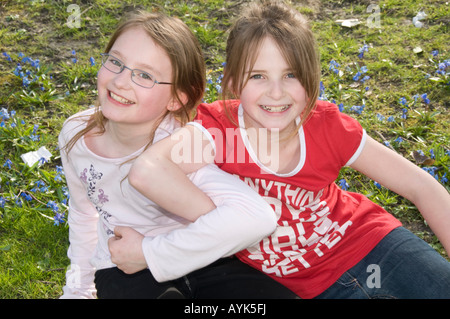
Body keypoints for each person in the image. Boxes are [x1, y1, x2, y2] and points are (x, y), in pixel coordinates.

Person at [127, 0, 450, 299]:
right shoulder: (218, 131)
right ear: (233, 82)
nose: (276, 93)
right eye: (258, 76)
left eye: (291, 75)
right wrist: (230, 225)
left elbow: (420, 186)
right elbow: (148, 170)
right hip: (308, 288)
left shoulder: (326, 126)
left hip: (372, 243)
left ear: (311, 78)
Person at [58, 10, 298, 299]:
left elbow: (255, 218)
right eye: (116, 62)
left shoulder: (181, 147)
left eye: (144, 75)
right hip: (125, 266)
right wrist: (78, 289)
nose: (121, 81)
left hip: (206, 258)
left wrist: (151, 253)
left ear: (177, 98)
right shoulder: (75, 134)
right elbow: (84, 213)